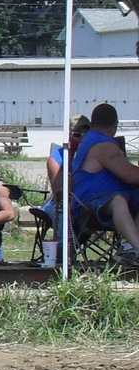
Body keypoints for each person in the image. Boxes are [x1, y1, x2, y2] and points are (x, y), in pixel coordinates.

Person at [70, 102, 139, 260]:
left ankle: (129, 248)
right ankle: (137, 248)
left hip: (93, 198)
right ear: (115, 124)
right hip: (90, 201)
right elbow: (131, 175)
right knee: (117, 201)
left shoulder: (90, 139)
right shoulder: (102, 144)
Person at [44, 114, 90, 233]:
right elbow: (60, 194)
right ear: (68, 135)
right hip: (61, 204)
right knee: (63, 213)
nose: (82, 140)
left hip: (88, 203)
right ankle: (63, 248)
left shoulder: (95, 155)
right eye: (77, 135)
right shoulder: (57, 158)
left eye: (87, 135)